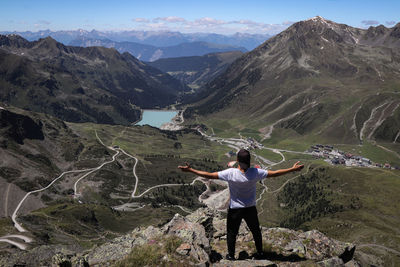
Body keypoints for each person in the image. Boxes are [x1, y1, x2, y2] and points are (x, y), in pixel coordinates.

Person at [178, 148, 304, 260]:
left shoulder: (230, 173)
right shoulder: (255, 173)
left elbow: (209, 175)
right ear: (249, 161)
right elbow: (275, 173)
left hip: (235, 209)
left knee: (232, 232)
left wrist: (191, 170)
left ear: (237, 160)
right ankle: (260, 253)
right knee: (255, 231)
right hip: (250, 208)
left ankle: (231, 256)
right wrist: (293, 169)